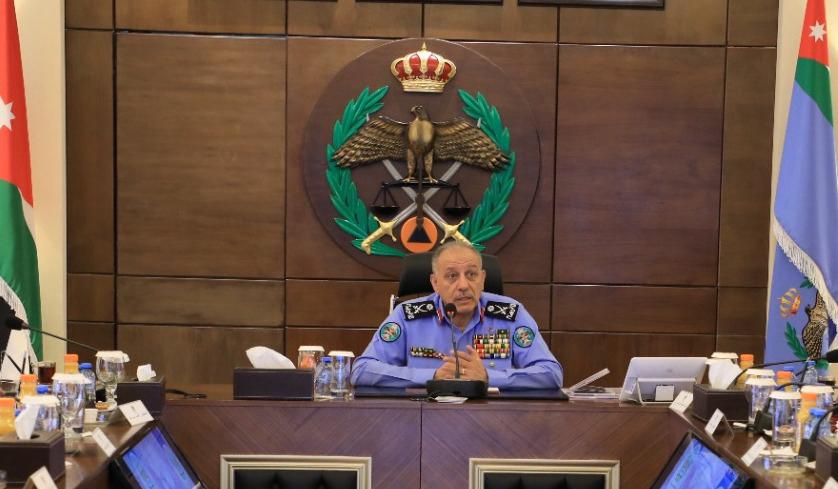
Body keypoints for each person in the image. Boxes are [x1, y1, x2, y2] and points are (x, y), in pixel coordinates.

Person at [351, 241, 563, 390]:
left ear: (482, 279)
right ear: (435, 283)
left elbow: (551, 374)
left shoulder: (510, 314)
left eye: (471, 275)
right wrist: (433, 377)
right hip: (422, 421)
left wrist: (487, 377)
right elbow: (362, 370)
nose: (463, 285)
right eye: (452, 276)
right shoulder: (407, 317)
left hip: (493, 422)